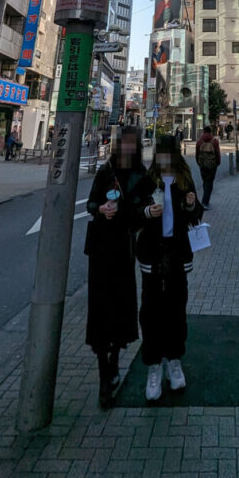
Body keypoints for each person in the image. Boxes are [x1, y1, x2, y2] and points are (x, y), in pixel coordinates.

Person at [135, 135, 203, 401]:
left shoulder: (184, 180)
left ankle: (174, 362)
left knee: (176, 310)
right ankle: (153, 367)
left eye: (169, 154)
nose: (165, 159)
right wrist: (146, 213)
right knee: (150, 312)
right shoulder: (147, 180)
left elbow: (196, 215)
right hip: (152, 257)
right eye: (161, 154)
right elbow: (133, 211)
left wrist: (190, 205)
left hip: (178, 257)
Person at [85, 125, 146, 407]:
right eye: (125, 143)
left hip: (124, 249)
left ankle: (114, 362)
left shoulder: (139, 174)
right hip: (101, 249)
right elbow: (91, 202)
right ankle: (103, 376)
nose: (128, 148)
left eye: (132, 144)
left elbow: (144, 213)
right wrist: (101, 209)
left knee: (120, 308)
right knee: (100, 309)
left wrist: (137, 213)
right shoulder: (105, 171)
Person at [195, 125, 220, 209]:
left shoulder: (199, 141)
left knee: (205, 181)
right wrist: (217, 163)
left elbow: (197, 154)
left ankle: (205, 201)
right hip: (212, 165)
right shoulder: (214, 141)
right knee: (209, 183)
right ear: (210, 131)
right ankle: (204, 202)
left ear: (203, 131)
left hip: (202, 165)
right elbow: (217, 153)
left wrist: (199, 163)